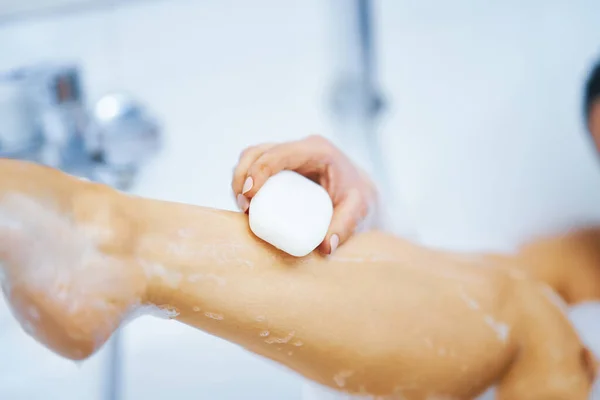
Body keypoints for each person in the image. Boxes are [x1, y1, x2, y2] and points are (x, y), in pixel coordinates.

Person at [0, 157, 597, 400]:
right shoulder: (573, 251)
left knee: (529, 316)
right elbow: (453, 297)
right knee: (501, 288)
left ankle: (116, 242)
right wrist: (356, 206)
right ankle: (116, 244)